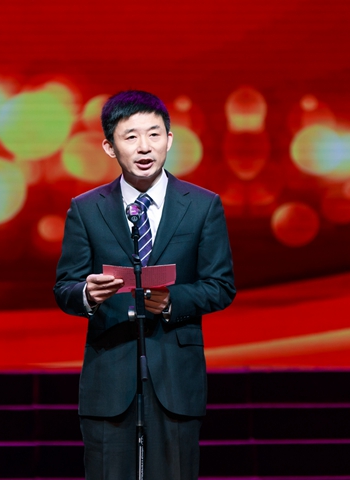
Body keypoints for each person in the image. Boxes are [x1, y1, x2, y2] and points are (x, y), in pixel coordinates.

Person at [54, 90, 235, 480]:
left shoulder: (202, 206)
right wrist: (87, 294)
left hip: (175, 378)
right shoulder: (86, 209)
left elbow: (221, 285)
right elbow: (65, 287)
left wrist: (171, 301)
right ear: (109, 147)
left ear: (169, 140)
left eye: (154, 134)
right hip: (109, 378)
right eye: (130, 136)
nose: (144, 147)